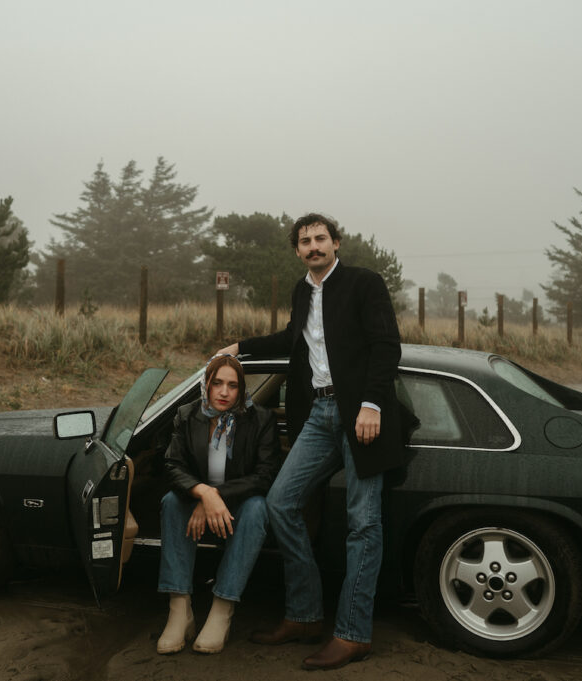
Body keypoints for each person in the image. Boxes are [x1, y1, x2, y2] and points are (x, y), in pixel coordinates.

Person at [217, 212, 406, 670]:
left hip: (361, 413)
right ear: (297, 251)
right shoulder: (304, 291)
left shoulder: (364, 283)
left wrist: (372, 404)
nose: (314, 246)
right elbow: (291, 339)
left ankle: (352, 633)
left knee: (364, 524)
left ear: (336, 243)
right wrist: (239, 348)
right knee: (281, 502)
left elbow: (387, 345)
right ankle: (304, 615)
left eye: (321, 238)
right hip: (319, 414)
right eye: (305, 241)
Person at [156, 354, 281, 655]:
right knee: (171, 502)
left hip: (237, 506)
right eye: (218, 384)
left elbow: (265, 476)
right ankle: (179, 609)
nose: (225, 392)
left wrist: (216, 496)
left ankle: (222, 609)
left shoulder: (260, 419)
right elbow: (173, 465)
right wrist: (203, 494)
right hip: (197, 500)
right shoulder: (186, 415)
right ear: (207, 385)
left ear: (241, 390)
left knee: (257, 509)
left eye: (233, 385)